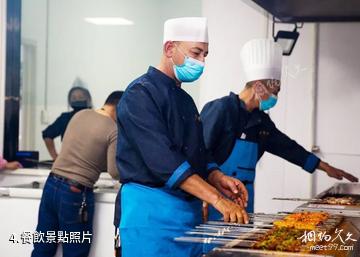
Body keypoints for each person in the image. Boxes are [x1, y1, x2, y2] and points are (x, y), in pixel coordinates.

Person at [114, 17, 249, 257]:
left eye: (205, 55)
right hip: (151, 218)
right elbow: (164, 162)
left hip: (187, 217)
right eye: (196, 53)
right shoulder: (140, 94)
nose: (201, 62)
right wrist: (217, 200)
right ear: (169, 49)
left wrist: (217, 177)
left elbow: (199, 152)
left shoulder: (185, 100)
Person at [200, 38, 359, 218]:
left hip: (244, 199)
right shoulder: (221, 109)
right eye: (275, 91)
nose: (275, 97)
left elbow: (288, 148)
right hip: (214, 199)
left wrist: (326, 167)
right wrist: (204, 197)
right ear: (259, 86)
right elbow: (199, 154)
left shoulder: (261, 121)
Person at [32, 91, 123, 257]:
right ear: (120, 109)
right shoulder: (112, 129)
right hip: (75, 192)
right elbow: (114, 171)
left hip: (51, 184)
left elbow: (77, 150)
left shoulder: (80, 115)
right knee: (75, 252)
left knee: (42, 247)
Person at [42, 86, 93, 160]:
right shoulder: (65, 118)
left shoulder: (95, 117)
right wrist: (55, 157)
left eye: (81, 97)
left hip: (92, 163)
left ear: (88, 99)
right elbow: (47, 134)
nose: (77, 100)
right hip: (69, 162)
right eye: (74, 98)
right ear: (69, 101)